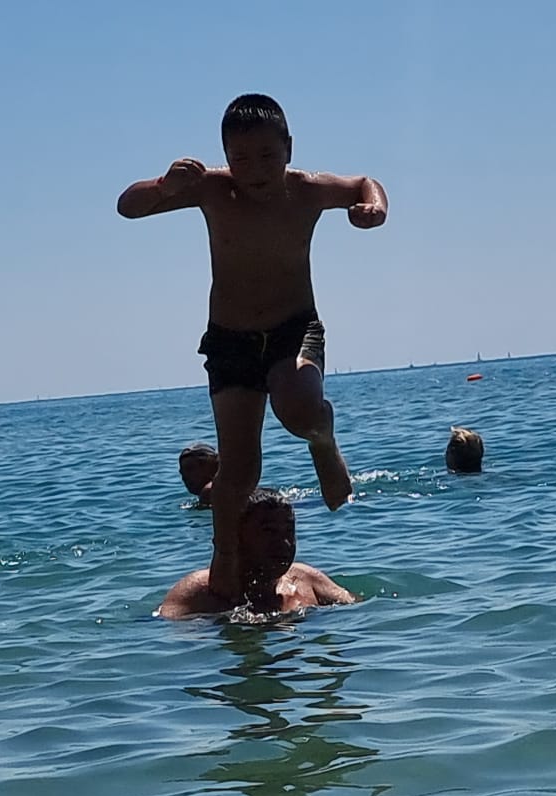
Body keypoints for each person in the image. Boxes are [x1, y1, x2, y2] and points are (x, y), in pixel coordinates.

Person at [119, 93, 387, 596]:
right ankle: (226, 563)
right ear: (225, 156)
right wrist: (163, 186)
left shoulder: (306, 191)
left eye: (267, 155)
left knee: (298, 408)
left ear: (289, 148)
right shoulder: (214, 190)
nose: (254, 169)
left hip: (293, 329)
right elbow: (127, 208)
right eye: (240, 159)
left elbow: (363, 182)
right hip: (229, 342)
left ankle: (322, 436)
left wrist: (372, 207)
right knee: (240, 469)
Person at [157, 488, 356, 620]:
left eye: (289, 531)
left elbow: (358, 612)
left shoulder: (305, 579)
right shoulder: (199, 590)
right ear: (239, 537)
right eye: (268, 531)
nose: (284, 543)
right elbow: (172, 642)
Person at [179, 442, 219, 509]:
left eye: (189, 469)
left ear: (209, 467)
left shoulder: (209, 491)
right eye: (182, 471)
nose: (184, 477)